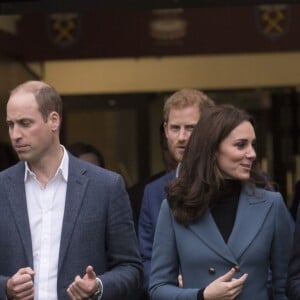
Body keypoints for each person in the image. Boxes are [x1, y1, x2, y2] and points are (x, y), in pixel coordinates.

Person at [0, 80, 142, 300]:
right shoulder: (2, 187)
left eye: (25, 123)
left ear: (53, 120)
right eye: (10, 124)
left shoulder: (105, 186)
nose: (15, 134)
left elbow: (131, 268)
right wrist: (6, 287)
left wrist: (98, 286)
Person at [149, 104, 294, 300]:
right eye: (241, 144)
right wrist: (202, 296)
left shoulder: (271, 204)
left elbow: (285, 285)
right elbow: (158, 288)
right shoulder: (175, 207)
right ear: (213, 149)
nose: (251, 153)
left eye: (253, 144)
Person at [138, 88, 215, 293]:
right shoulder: (153, 193)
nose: (182, 137)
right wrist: (169, 283)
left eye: (190, 128)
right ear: (165, 130)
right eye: (174, 128)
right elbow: (145, 260)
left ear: (209, 129)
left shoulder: (230, 184)